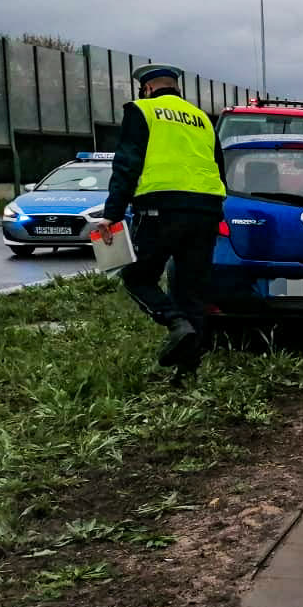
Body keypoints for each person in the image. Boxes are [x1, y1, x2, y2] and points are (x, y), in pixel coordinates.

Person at [99, 63, 227, 378]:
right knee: (191, 291)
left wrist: (111, 215)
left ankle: (174, 322)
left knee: (137, 277)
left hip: (161, 209)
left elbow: (127, 164)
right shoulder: (203, 120)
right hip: (206, 212)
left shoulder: (141, 111)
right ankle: (188, 372)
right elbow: (218, 168)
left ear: (147, 88)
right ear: (176, 88)